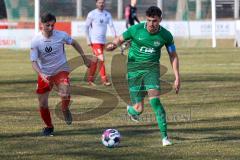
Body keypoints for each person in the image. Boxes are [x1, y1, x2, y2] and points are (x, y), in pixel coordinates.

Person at [109, 6, 180, 146]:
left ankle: (165, 138)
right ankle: (131, 110)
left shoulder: (166, 35)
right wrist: (113, 45)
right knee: (139, 109)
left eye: (154, 21)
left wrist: (177, 77)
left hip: (152, 70)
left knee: (155, 102)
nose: (151, 24)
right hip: (134, 70)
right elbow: (120, 39)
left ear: (160, 19)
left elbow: (173, 55)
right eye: (148, 20)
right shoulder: (136, 29)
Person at [30, 13, 90, 136]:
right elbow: (33, 62)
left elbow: (74, 43)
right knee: (42, 103)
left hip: (61, 70)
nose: (51, 28)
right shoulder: (36, 41)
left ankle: (64, 108)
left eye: (53, 25)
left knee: (65, 91)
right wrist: (41, 75)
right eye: (48, 25)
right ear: (42, 25)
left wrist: (84, 57)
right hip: (45, 74)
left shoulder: (61, 35)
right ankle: (49, 127)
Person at [85, 0, 117, 86]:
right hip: (94, 41)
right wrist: (88, 39)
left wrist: (115, 37)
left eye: (102, 2)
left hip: (103, 41)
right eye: (99, 2)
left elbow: (111, 26)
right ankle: (104, 80)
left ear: (104, 3)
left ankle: (90, 80)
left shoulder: (107, 14)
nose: (101, 4)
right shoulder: (92, 14)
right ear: (96, 3)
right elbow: (86, 27)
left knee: (95, 61)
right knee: (101, 59)